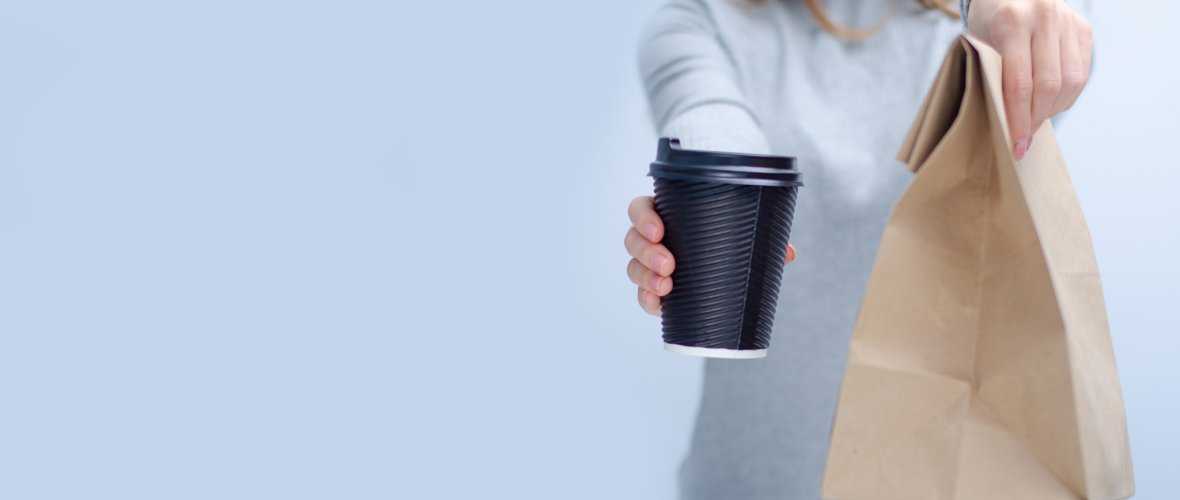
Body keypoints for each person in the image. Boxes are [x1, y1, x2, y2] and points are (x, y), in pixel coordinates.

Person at [623, 0, 1093, 497]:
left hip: (940, 477)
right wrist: (709, 201)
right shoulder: (703, 19)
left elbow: (1058, 45)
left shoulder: (985, 26)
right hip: (751, 480)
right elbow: (708, 121)